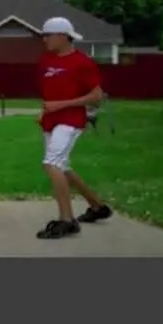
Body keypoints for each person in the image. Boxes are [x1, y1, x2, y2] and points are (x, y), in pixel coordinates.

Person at [35, 17, 114, 240]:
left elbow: (97, 97)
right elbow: (49, 92)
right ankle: (98, 207)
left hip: (70, 120)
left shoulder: (82, 63)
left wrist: (62, 105)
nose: (44, 40)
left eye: (47, 35)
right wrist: (44, 112)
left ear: (62, 35)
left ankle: (66, 221)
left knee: (51, 163)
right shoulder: (45, 61)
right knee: (62, 166)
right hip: (50, 121)